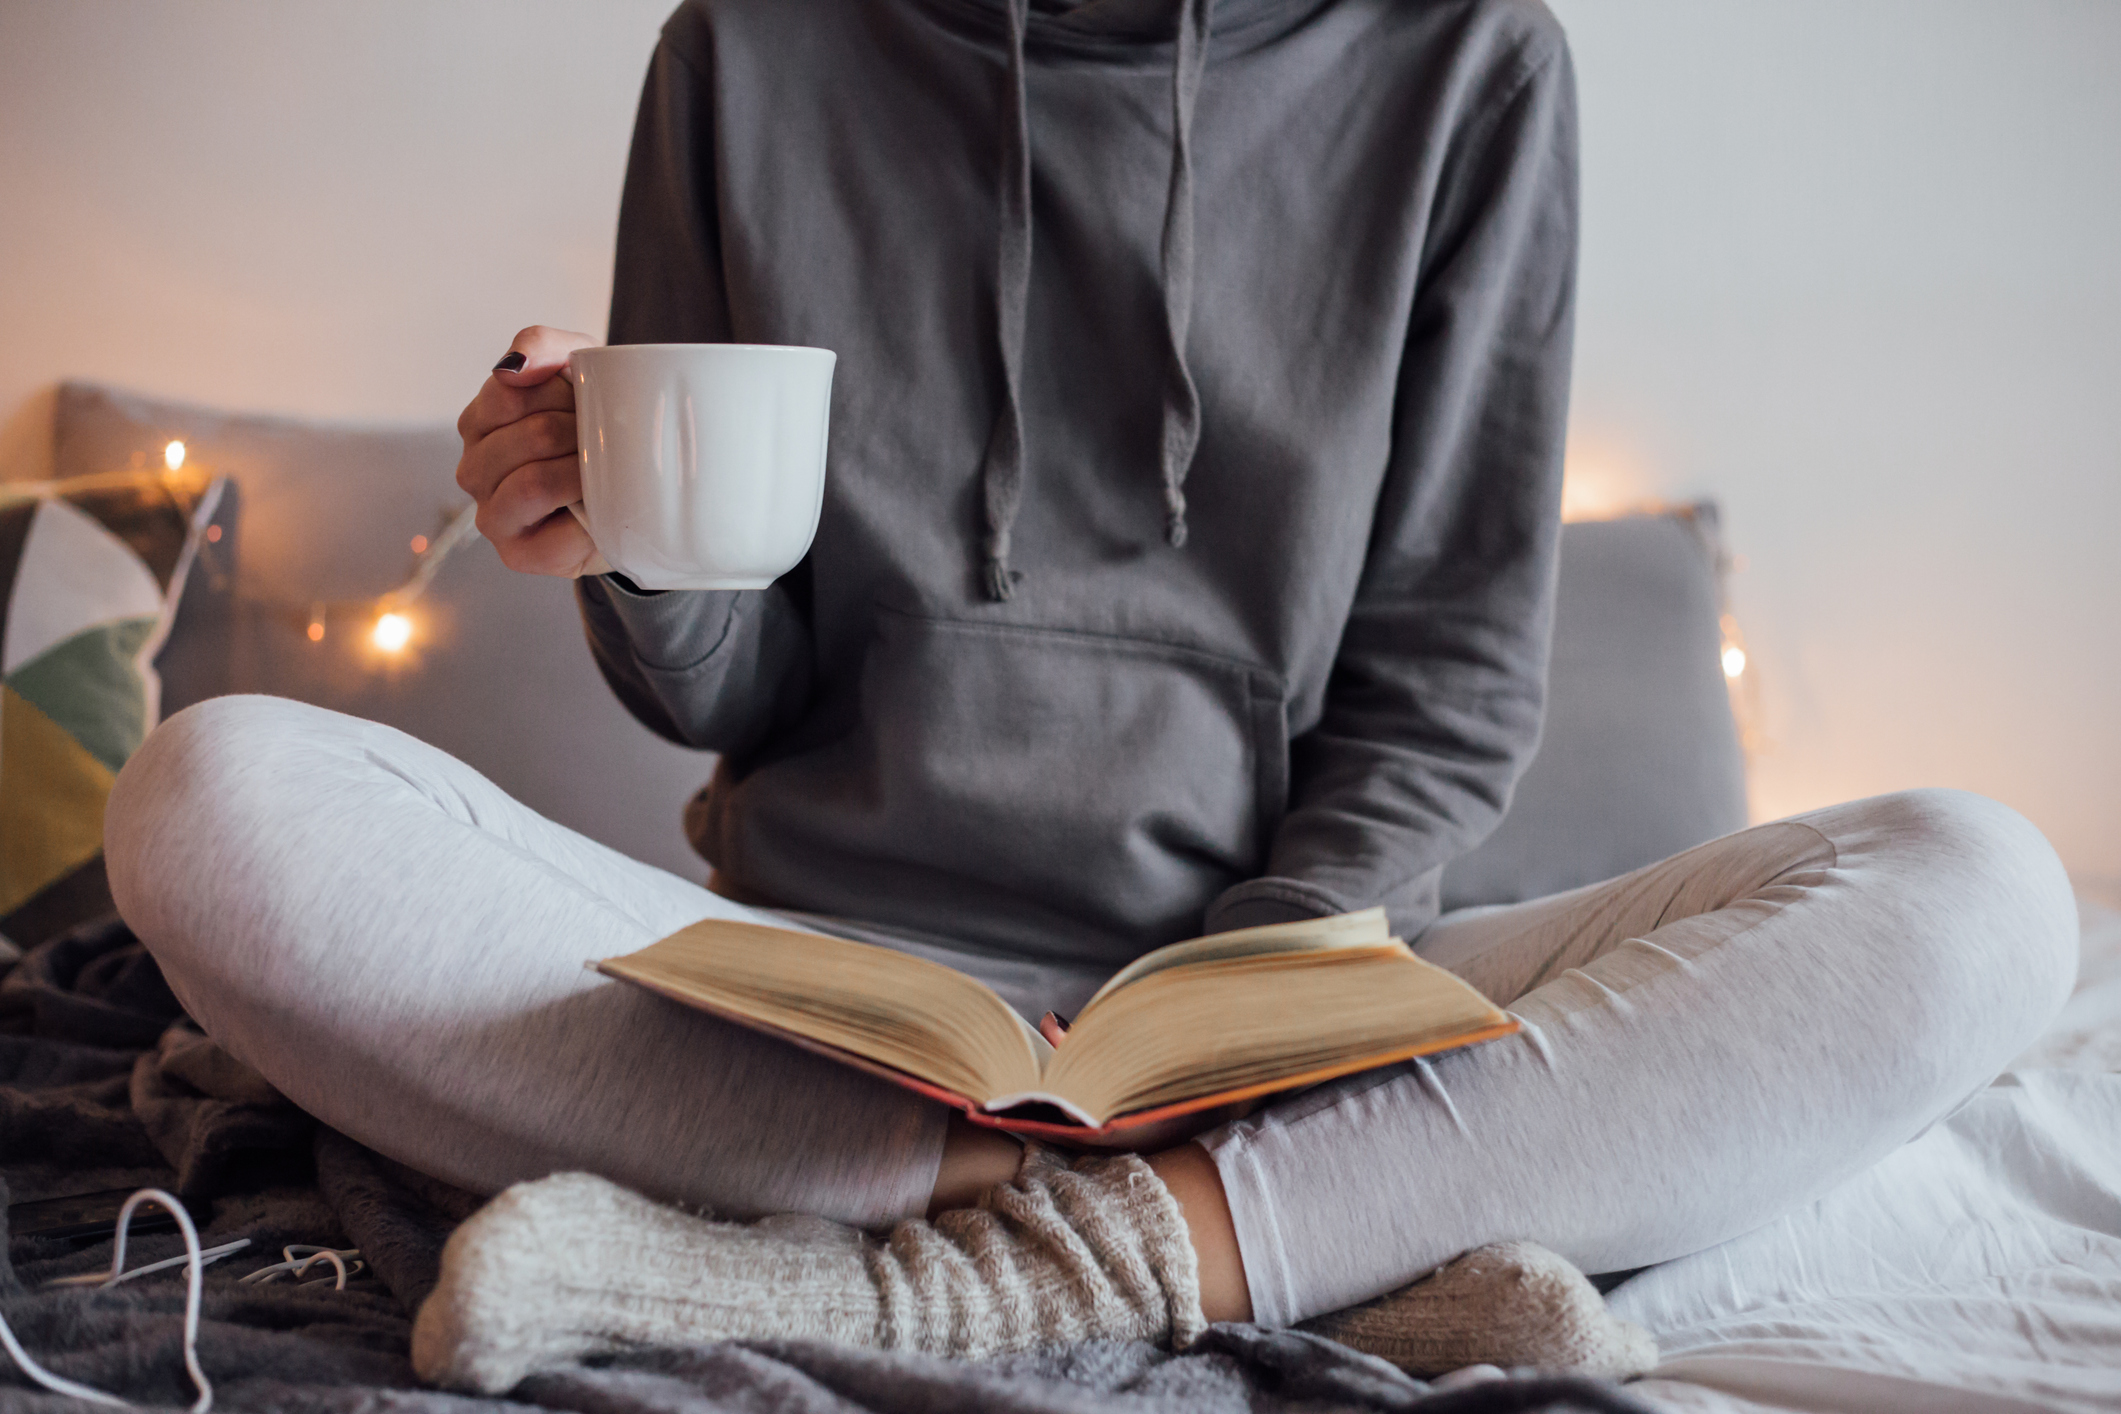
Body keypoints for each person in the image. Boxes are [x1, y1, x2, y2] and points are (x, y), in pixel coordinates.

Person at [105, 0, 2078, 1394]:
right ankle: (1285, 1240)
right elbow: (740, 683)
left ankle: (1012, 1242)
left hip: (1300, 988)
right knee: (209, 792)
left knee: (1976, 887)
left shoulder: (1467, 62)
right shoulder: (744, 50)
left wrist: (1263, 1001)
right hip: (805, 989)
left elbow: (1450, 669)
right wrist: (627, 547)